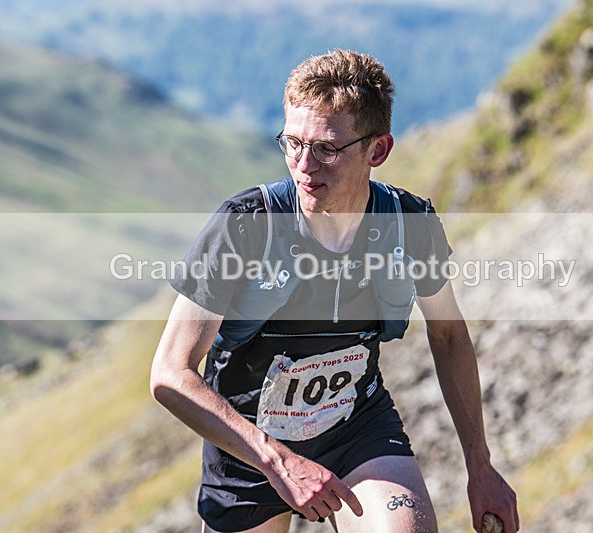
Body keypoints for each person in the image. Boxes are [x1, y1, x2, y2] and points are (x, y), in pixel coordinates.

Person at [151, 49, 518, 533]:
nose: (304, 165)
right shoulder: (246, 226)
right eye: (292, 143)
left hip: (356, 428)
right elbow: (170, 374)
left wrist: (480, 465)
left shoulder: (409, 225)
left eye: (326, 149)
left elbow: (448, 335)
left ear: (378, 151)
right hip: (248, 446)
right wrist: (278, 462)